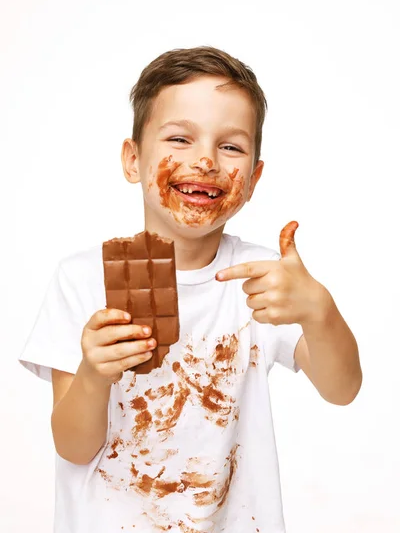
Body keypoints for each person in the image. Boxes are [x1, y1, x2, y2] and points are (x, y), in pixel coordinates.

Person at [19, 46, 362, 533]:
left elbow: (342, 389)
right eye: (180, 138)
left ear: (253, 179)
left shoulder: (261, 277)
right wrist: (94, 375)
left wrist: (319, 313)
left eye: (231, 146)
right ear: (133, 159)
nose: (205, 159)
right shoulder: (82, 280)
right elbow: (72, 446)